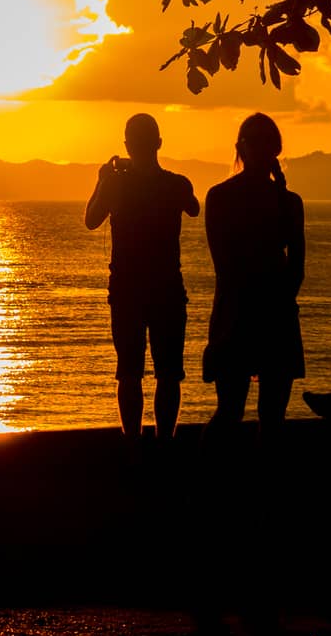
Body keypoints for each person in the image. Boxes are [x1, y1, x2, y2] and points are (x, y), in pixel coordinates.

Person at [83, 113, 200, 440]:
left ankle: (133, 449)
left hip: (127, 292)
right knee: (168, 374)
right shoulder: (176, 184)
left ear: (127, 145)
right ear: (159, 143)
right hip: (167, 290)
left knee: (130, 374)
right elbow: (193, 208)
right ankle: (165, 446)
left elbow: (91, 219)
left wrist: (101, 180)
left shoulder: (116, 183)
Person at [202, 112, 306, 446]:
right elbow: (296, 267)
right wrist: (280, 302)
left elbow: (224, 265)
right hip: (266, 315)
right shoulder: (287, 201)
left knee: (232, 412)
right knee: (267, 417)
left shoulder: (221, 197)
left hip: (239, 314)